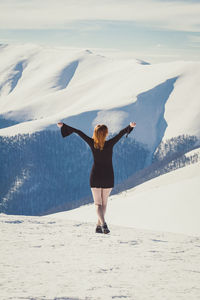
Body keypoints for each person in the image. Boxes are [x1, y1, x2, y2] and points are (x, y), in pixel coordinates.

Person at [57, 121, 136, 234]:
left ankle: (101, 224)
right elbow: (121, 133)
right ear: (105, 134)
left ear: (95, 133)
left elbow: (79, 132)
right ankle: (100, 226)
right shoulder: (110, 144)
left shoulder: (92, 143)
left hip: (96, 176)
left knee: (97, 204)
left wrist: (64, 126)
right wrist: (130, 126)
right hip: (108, 177)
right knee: (104, 204)